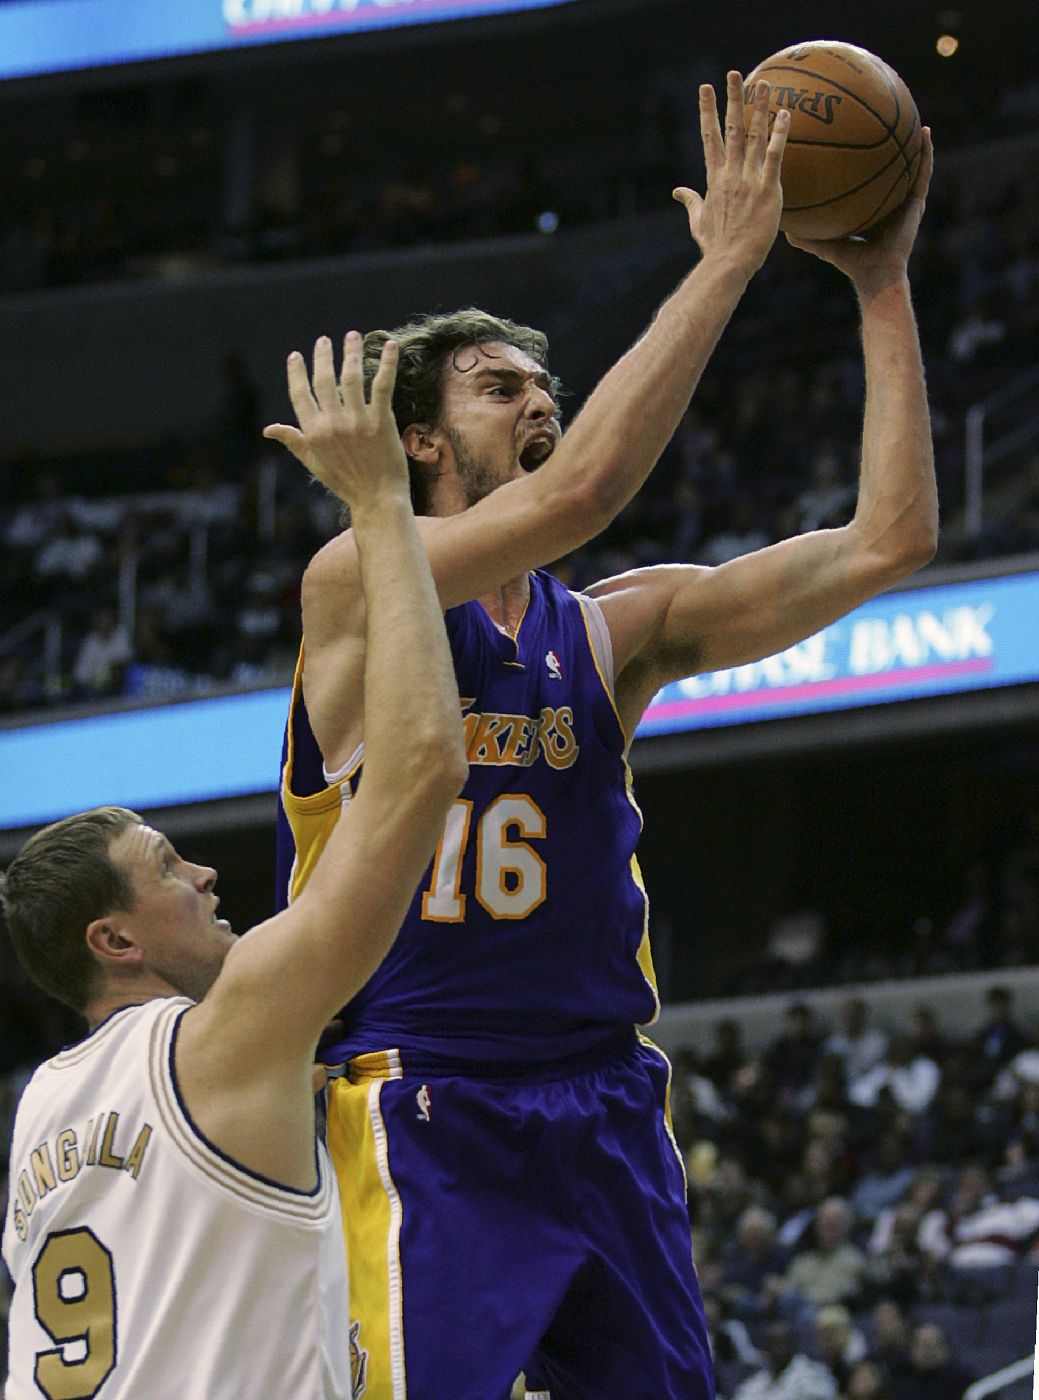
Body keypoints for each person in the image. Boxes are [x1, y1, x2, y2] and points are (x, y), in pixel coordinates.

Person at [268, 72, 936, 1400]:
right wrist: (732, 262)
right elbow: (582, 494)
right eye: (496, 384)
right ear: (417, 438)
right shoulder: (357, 584)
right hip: (427, 1096)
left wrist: (874, 283)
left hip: (604, 1097)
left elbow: (887, 540)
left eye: (542, 381)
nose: (534, 398)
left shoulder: (615, 632)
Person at [0, 336, 468, 1400]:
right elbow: (426, 767)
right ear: (111, 938)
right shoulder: (230, 1028)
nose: (204, 874)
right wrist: (384, 504)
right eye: (165, 866)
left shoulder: (41, 1106)